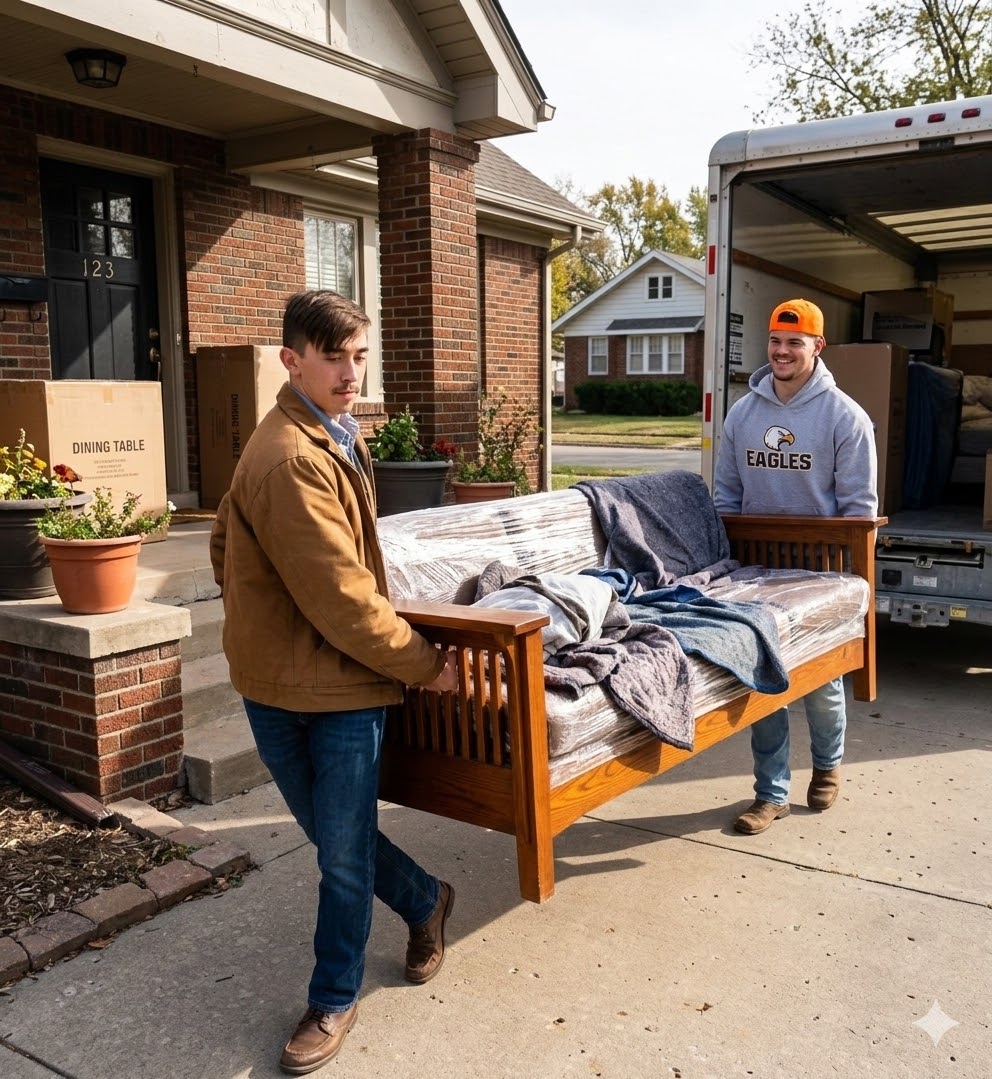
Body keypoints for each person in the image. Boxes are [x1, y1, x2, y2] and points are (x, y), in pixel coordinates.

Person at [209, 289, 458, 1075]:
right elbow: (345, 601)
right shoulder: (291, 455)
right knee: (339, 844)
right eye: (333, 357)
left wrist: (264, 614)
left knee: (340, 850)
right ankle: (420, 903)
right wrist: (427, 664)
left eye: (360, 356)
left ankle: (334, 993)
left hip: (328, 686)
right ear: (292, 360)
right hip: (307, 685)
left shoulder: (330, 433)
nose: (352, 374)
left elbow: (221, 542)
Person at [712, 298, 878, 836]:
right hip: (756, 570)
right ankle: (771, 793)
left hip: (820, 571)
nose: (782, 352)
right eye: (775, 341)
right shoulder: (743, 414)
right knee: (765, 684)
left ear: (817, 347)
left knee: (821, 685)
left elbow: (859, 510)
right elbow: (726, 495)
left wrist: (849, 581)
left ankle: (827, 766)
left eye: (794, 342)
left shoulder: (846, 418)